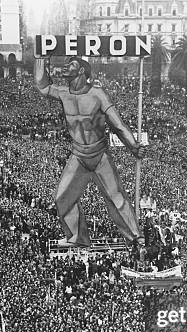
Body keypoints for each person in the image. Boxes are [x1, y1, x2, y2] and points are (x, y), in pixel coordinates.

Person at [34, 56, 144, 247]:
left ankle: (135, 236)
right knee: (62, 198)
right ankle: (78, 237)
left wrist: (133, 146)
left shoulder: (97, 94)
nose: (66, 67)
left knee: (116, 198)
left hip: (99, 155)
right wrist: (40, 59)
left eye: (71, 65)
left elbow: (117, 124)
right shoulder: (62, 92)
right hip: (78, 155)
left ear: (82, 71)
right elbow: (43, 86)